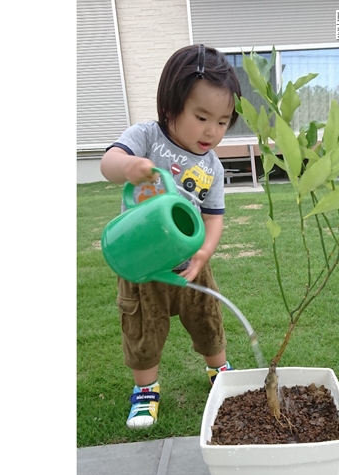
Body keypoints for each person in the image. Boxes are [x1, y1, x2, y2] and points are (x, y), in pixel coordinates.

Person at [100, 44, 242, 429]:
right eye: (201, 117)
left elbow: (213, 217)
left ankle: (220, 371)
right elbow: (107, 162)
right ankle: (146, 390)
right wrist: (130, 166)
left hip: (190, 261)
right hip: (142, 262)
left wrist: (204, 254)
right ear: (170, 107)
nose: (212, 131)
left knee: (207, 318)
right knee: (143, 327)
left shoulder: (211, 165)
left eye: (223, 121)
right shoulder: (147, 137)